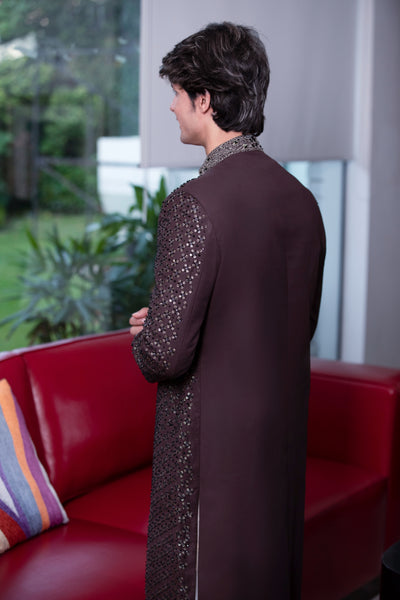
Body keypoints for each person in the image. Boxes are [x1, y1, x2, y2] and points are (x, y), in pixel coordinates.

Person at [130, 21, 325, 600]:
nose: (171, 106)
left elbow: (164, 356)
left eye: (176, 93)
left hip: (209, 454)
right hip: (279, 442)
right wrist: (173, 317)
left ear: (205, 99)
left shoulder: (192, 204)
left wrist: (151, 330)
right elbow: (289, 322)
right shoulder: (302, 201)